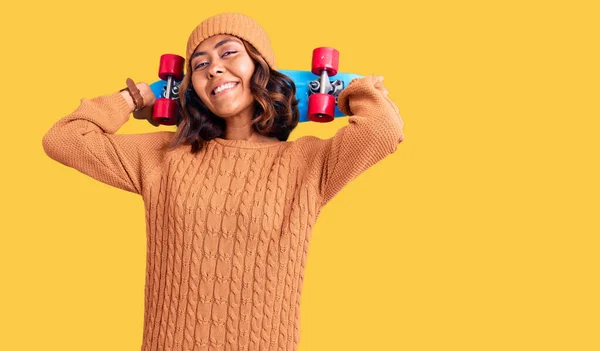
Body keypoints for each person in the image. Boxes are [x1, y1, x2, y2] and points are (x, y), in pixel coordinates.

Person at [42, 12, 404, 351]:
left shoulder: (306, 163)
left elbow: (384, 129)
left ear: (261, 68)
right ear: (192, 88)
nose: (214, 68)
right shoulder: (166, 155)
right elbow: (64, 138)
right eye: (200, 65)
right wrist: (137, 96)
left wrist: (339, 86)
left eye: (229, 53)